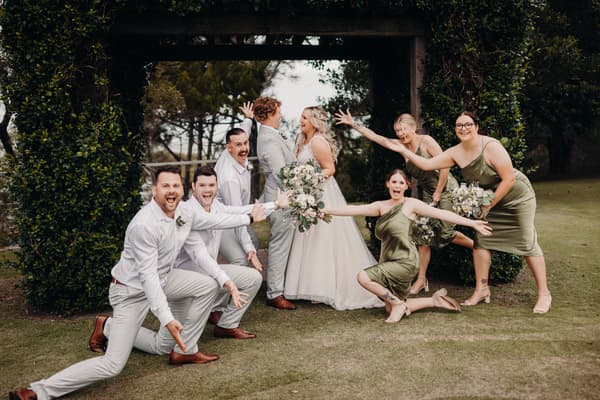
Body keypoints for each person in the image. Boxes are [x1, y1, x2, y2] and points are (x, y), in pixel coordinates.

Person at [9, 166, 265, 400]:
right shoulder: (143, 225)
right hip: (131, 291)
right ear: (154, 190)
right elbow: (148, 278)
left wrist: (250, 218)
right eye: (165, 186)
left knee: (197, 298)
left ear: (182, 190)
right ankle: (37, 391)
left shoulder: (185, 211)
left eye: (176, 185)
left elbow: (216, 220)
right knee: (112, 365)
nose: (171, 191)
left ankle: (171, 345)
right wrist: (167, 318)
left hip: (164, 279)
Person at [349, 110, 552, 314]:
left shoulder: (491, 147)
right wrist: (401, 149)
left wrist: (486, 204)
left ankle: (544, 293)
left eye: (467, 124)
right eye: (459, 125)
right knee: (482, 241)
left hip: (516, 196)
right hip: (488, 198)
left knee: (526, 241)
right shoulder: (455, 152)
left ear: (476, 126)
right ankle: (481, 289)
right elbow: (427, 164)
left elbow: (508, 180)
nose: (463, 128)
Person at [322, 169, 492, 323]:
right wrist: (327, 210)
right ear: (388, 184)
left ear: (406, 186)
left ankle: (398, 304)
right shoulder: (380, 207)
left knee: (363, 277)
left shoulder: (411, 205)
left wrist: (471, 223)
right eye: (394, 182)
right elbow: (354, 210)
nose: (397, 186)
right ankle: (433, 301)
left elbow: (441, 213)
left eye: (401, 183)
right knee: (388, 307)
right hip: (387, 260)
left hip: (405, 261)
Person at [335, 111, 474, 295]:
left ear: (414, 128)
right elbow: (378, 138)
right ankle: (421, 279)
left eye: (403, 129)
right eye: (397, 131)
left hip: (445, 187)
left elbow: (445, 165)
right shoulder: (400, 145)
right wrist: (354, 125)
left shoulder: (426, 142)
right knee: (423, 234)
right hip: (427, 192)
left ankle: (478, 245)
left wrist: (439, 192)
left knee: (446, 232)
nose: (400, 133)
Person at [284, 106, 383, 310]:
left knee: (324, 237)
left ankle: (325, 288)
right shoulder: (300, 139)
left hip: (322, 193)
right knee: (308, 237)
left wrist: (309, 180)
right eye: (301, 116)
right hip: (306, 194)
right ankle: (308, 284)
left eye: (304, 117)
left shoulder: (318, 141)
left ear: (314, 121)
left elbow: (330, 169)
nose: (300, 120)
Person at [176, 165, 289, 339]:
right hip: (190, 278)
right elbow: (222, 222)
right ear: (193, 187)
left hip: (210, 272)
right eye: (202, 185)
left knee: (253, 278)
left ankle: (226, 325)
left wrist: (275, 204)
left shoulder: (216, 205)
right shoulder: (187, 210)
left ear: (216, 186)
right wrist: (250, 219)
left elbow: (240, 210)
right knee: (170, 341)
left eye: (211, 185)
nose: (207, 190)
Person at [255, 96, 297, 310]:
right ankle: (275, 293)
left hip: (281, 195)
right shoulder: (269, 138)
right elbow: (282, 173)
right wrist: (301, 184)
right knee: (279, 246)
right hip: (279, 198)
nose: (281, 115)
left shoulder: (268, 133)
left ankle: (281, 287)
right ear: (270, 113)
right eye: (278, 111)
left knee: (282, 244)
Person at [214, 102, 261, 268]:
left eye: (246, 143)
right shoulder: (229, 179)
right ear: (228, 148)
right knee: (241, 258)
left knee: (255, 240)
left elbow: (243, 132)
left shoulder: (236, 150)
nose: (244, 148)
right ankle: (231, 290)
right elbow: (237, 220)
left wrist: (248, 119)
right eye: (238, 145)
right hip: (219, 222)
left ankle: (242, 281)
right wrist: (249, 249)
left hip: (232, 215)